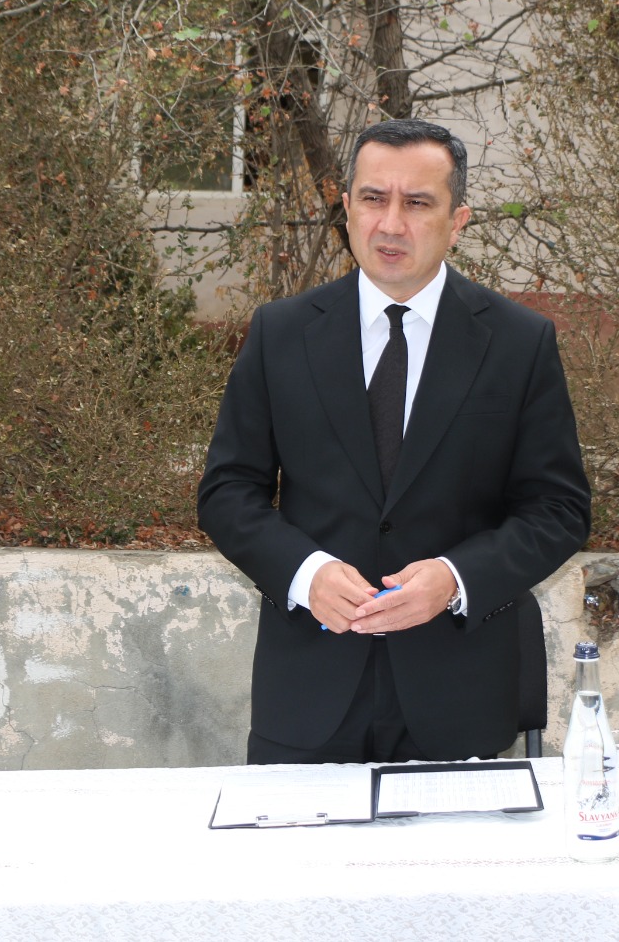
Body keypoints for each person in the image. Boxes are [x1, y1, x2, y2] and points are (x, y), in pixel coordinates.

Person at [197, 118, 591, 765]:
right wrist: (306, 573)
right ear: (347, 207)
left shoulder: (519, 344)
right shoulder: (279, 333)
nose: (391, 224)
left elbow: (559, 510)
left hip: (459, 701)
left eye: (418, 203)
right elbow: (227, 492)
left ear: (457, 220)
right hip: (306, 696)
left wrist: (455, 579)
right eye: (374, 198)